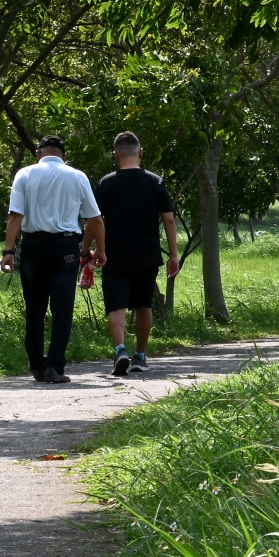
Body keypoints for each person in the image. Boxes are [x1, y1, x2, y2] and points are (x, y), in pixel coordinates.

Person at [0, 135, 104, 384]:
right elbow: (95, 219)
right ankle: (55, 367)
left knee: (34, 308)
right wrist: (100, 250)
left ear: (38, 154)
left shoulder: (24, 174)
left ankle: (36, 363)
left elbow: (15, 215)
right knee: (62, 307)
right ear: (63, 156)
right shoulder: (77, 176)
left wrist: (8, 251)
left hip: (33, 247)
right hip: (65, 247)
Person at [95, 131, 180, 376]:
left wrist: (91, 249)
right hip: (146, 254)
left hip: (114, 255)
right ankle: (140, 356)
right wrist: (173, 255)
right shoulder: (156, 182)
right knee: (143, 305)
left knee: (116, 305)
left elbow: (95, 220)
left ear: (115, 155)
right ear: (140, 153)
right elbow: (169, 219)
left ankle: (120, 348)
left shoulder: (106, 183)